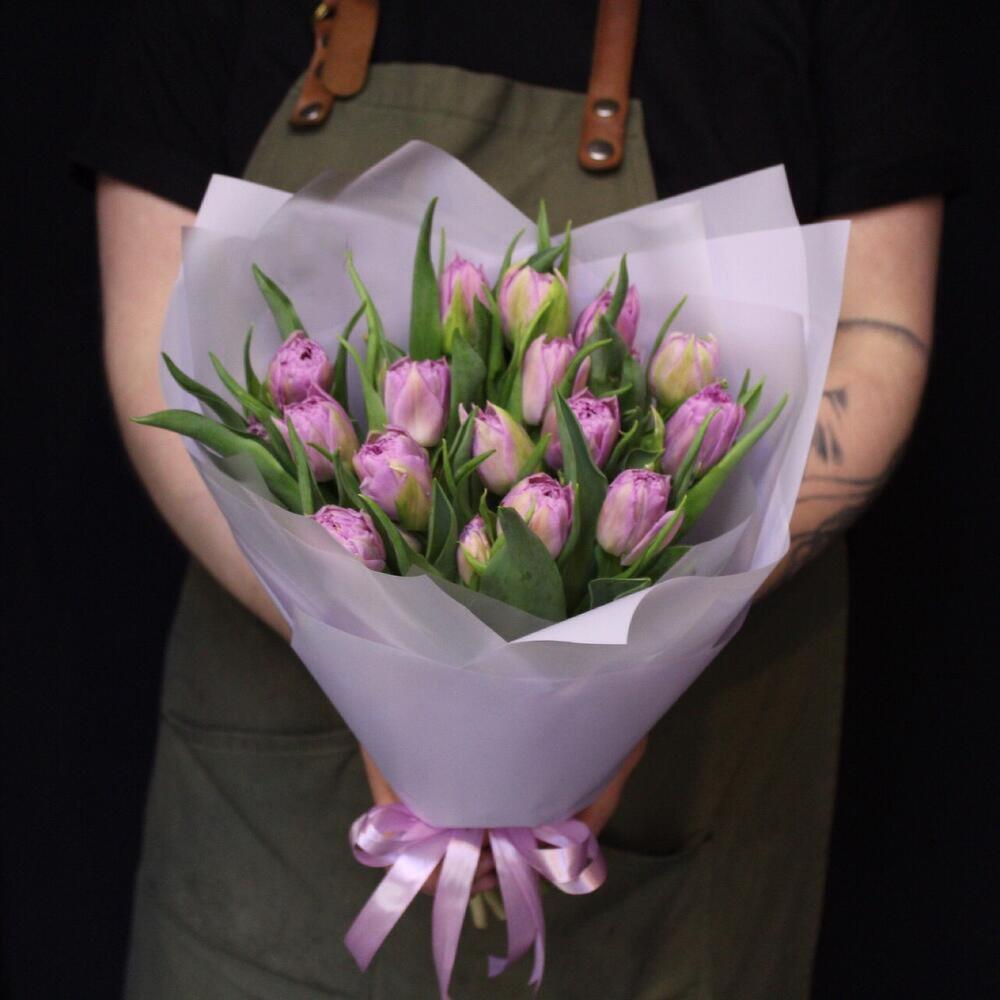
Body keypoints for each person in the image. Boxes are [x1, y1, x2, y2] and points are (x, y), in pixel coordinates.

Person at [79, 1, 957, 996]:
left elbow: (879, 331)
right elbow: (157, 332)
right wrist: (380, 669)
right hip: (279, 796)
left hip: (680, 805)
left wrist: (617, 677)